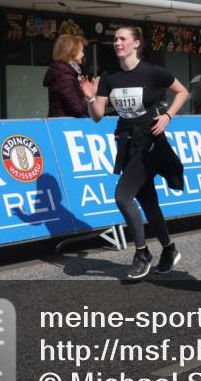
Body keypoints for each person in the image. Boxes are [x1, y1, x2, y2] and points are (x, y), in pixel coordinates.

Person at [80, 26, 189, 280]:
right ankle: (169, 250)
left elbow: (183, 91)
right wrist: (89, 98)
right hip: (126, 144)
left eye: (122, 39)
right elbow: (97, 117)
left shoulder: (152, 72)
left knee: (122, 196)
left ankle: (142, 253)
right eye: (115, 39)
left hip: (151, 143)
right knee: (148, 201)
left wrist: (168, 116)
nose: (117, 43)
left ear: (136, 43)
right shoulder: (109, 77)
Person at [44, 34, 90, 118]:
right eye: (81, 51)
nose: (83, 54)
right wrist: (87, 95)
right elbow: (77, 110)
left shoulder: (68, 73)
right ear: (71, 52)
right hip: (64, 126)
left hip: (64, 124)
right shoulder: (64, 77)